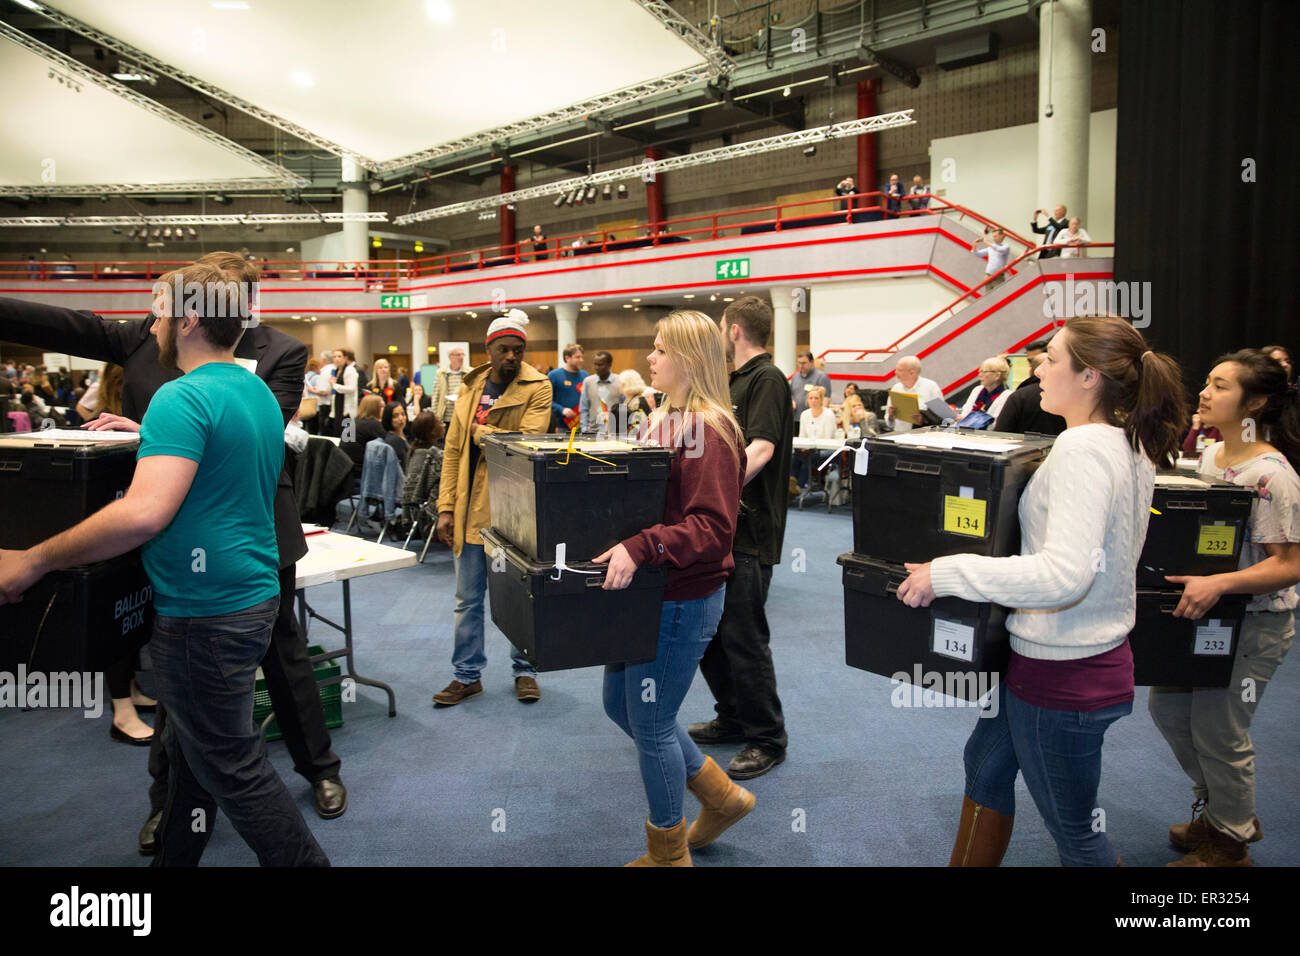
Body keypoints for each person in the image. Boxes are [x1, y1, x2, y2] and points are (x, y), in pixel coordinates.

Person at [0, 251, 348, 848]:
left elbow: (144, 513)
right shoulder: (253, 390)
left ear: (188, 321)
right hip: (246, 591)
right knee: (193, 757)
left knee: (233, 769)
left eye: (158, 314)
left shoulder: (180, 398)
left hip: (203, 609)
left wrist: (33, 559)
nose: (150, 325)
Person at [897, 317, 1187, 867]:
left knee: (1076, 835)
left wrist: (947, 572)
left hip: (1064, 673)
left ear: (1090, 377)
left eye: (1051, 359)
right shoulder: (1127, 442)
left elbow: (1063, 575)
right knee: (985, 765)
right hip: (1056, 658)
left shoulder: (1083, 449)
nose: (1038, 369)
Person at [592, 309, 749, 866]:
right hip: (648, 593)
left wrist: (641, 546)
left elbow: (712, 528)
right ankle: (722, 795)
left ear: (687, 359)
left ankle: (668, 853)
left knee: (652, 722)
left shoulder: (708, 426)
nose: (650, 359)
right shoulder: (664, 415)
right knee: (621, 706)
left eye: (659, 350)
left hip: (682, 597)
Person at [1149, 349, 1300, 867]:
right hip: (1202, 616)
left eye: (1221, 386)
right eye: (1207, 382)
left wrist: (1221, 583)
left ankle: (1231, 843)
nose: (1205, 394)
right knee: (1167, 709)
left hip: (1256, 624)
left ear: (1255, 402)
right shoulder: (1212, 455)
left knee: (1219, 729)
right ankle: (1227, 811)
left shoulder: (1273, 474)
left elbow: (1289, 565)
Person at [687, 296, 793, 782]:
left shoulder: (767, 378)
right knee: (710, 636)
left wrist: (717, 486)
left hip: (750, 531)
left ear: (733, 331)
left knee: (745, 638)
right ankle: (732, 715)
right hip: (723, 531)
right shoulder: (732, 381)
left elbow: (763, 447)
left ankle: (767, 737)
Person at [433, 310, 552, 706]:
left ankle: (525, 671)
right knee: (467, 599)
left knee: (520, 595)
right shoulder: (470, 386)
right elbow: (453, 451)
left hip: (512, 511)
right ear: (489, 350)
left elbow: (527, 442)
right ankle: (467, 676)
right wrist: (446, 507)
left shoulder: (538, 387)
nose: (512, 357)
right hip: (468, 509)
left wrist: (482, 432)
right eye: (504, 349)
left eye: (519, 350)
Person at [994, 348, 1067, 436]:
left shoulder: (1019, 396)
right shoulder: (1069, 395)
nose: (980, 375)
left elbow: (1001, 433)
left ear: (1032, 370)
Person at [793, 385, 836, 491]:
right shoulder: (804, 414)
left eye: (816, 398)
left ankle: (799, 487)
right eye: (810, 398)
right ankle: (791, 484)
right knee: (794, 456)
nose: (813, 401)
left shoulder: (828, 414)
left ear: (821, 400)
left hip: (826, 450)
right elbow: (802, 436)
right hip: (808, 448)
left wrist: (809, 447)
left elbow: (828, 438)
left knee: (809, 458)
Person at [884, 355, 943, 432]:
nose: (895, 372)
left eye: (900, 370)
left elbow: (941, 416)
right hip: (899, 435)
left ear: (912, 373)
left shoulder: (931, 387)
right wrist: (891, 416)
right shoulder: (896, 388)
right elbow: (889, 423)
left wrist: (923, 420)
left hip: (924, 436)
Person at [957, 357, 1011, 425]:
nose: (980, 375)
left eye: (984, 371)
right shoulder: (977, 390)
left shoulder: (1007, 396)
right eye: (980, 371)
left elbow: (994, 424)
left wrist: (967, 420)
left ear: (997, 376)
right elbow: (965, 412)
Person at [579, 350, 621, 433]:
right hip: (592, 432)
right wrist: (584, 429)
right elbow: (584, 408)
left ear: (609, 365)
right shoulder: (588, 381)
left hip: (614, 432)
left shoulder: (620, 381)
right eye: (595, 364)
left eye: (600, 365)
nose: (596, 367)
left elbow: (625, 407)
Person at [548, 343, 585, 432]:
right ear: (567, 358)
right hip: (560, 426)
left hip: (581, 426)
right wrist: (561, 409)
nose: (581, 360)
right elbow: (545, 400)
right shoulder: (554, 375)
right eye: (577, 357)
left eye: (582, 357)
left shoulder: (585, 375)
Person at [431, 346, 467, 427]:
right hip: (446, 416)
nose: (461, 357)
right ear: (450, 356)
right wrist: (435, 415)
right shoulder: (441, 373)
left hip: (463, 415)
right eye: (458, 355)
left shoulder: (469, 372)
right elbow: (436, 395)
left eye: (462, 355)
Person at [790, 350, 831, 418]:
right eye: (799, 363)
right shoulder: (795, 377)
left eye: (804, 363)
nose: (801, 366)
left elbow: (826, 399)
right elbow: (791, 393)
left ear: (812, 362)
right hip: (796, 417)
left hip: (814, 418)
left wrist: (822, 417)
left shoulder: (821, 377)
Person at [330, 348, 360, 433]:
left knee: (348, 438)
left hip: (347, 410)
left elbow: (351, 388)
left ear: (345, 358)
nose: (337, 359)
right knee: (337, 435)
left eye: (339, 356)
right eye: (334, 356)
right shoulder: (335, 371)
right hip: (337, 409)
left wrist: (334, 385)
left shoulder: (349, 370)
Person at [381, 401, 409, 467]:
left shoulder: (401, 435)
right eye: (395, 416)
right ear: (388, 419)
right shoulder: (394, 440)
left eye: (403, 414)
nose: (401, 418)